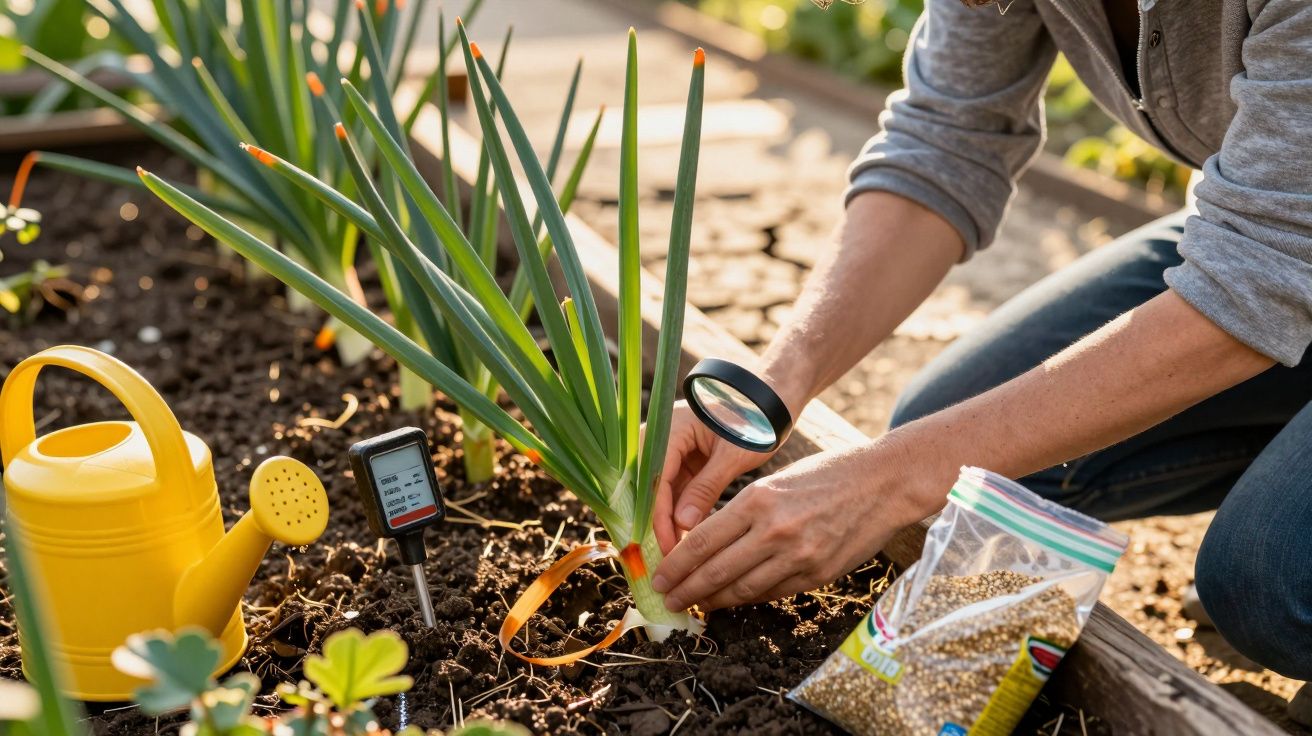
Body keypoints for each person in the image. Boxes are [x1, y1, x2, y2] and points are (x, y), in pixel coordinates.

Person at [648, 0, 1312, 712]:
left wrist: (885, 481)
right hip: (1286, 224)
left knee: (1269, 582)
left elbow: (1256, 274)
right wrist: (767, 388)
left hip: (1275, 245)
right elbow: (946, 140)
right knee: (957, 450)